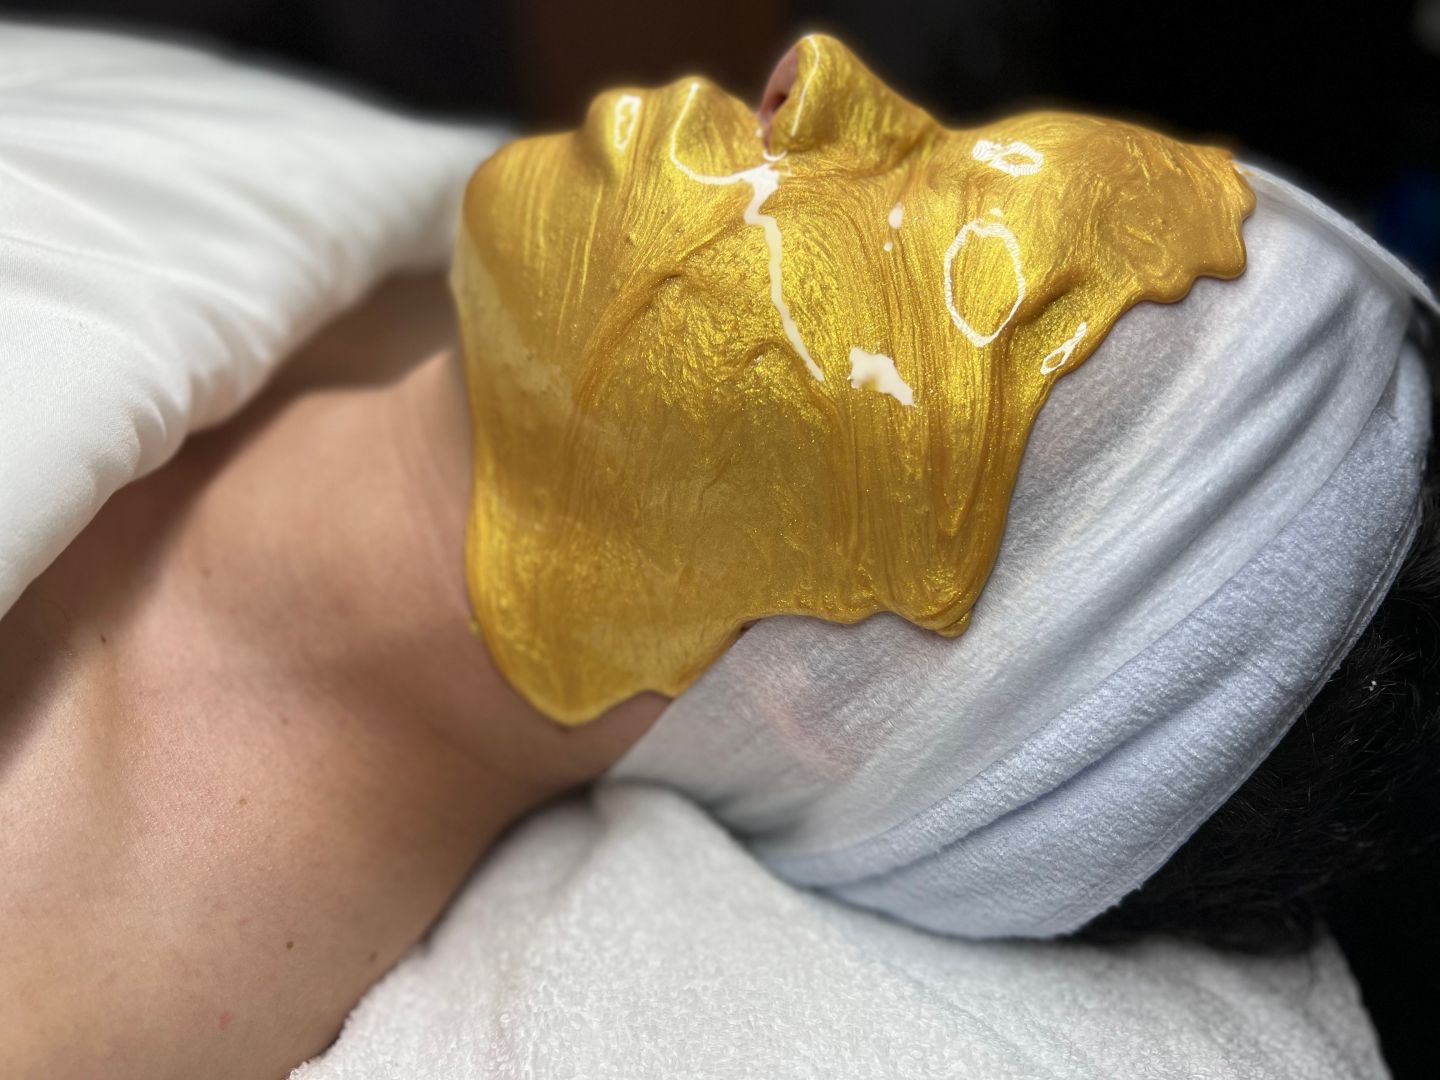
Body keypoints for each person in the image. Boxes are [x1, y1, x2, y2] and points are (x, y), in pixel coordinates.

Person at [1, 31, 1433, 1080]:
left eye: (924, 238)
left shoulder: (56, 967)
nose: (815, 74)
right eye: (949, 139)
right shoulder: (305, 187)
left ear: (832, 703)